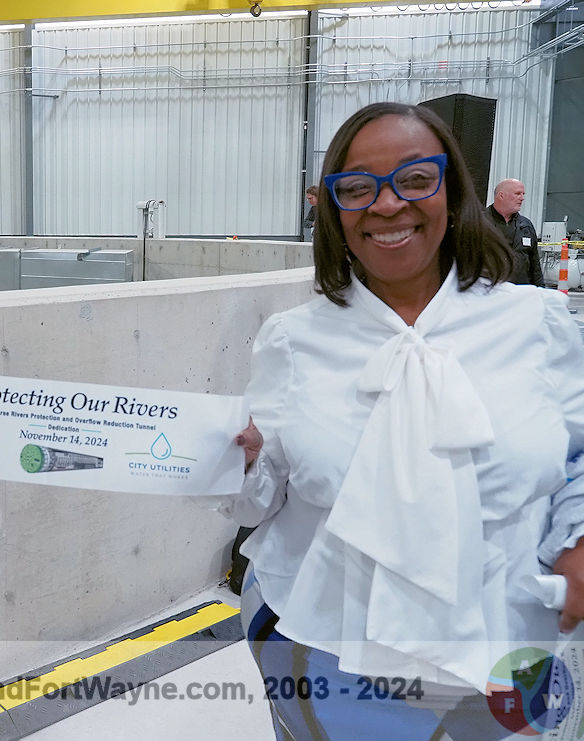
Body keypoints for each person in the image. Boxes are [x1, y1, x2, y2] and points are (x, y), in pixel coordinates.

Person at [225, 102, 584, 738]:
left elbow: (578, 456)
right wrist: (241, 462)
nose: (387, 204)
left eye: (415, 179)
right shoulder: (292, 340)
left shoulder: (538, 323)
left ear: (453, 191)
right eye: (357, 188)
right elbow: (259, 501)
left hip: (504, 643)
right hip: (322, 644)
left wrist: (578, 540)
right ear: (334, 211)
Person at [487, 178, 544, 286]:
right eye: (517, 194)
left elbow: (535, 266)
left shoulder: (526, 225)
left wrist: (541, 290)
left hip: (520, 291)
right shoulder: (480, 222)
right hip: (490, 290)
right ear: (501, 196)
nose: (522, 198)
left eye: (523, 194)